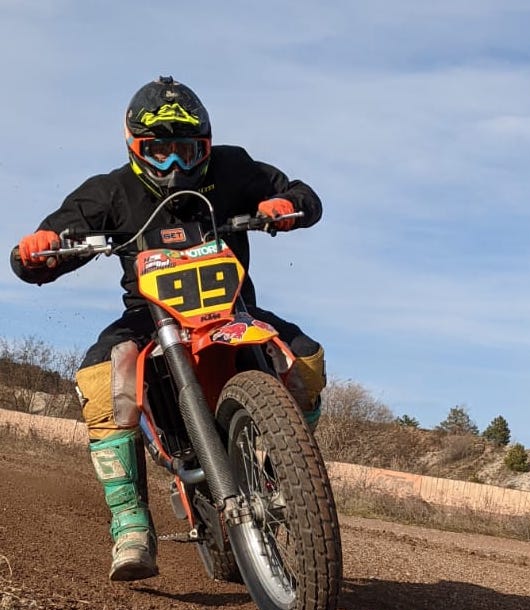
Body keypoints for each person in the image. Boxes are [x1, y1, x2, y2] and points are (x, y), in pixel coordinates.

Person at [10, 76, 326, 583]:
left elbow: (303, 194)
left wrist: (285, 205)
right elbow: (50, 243)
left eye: (186, 149)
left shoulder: (233, 166)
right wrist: (41, 248)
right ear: (137, 147)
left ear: (205, 145)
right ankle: (130, 521)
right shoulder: (110, 191)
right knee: (99, 376)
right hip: (149, 315)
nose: (175, 163)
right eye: (160, 150)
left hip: (233, 308)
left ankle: (287, 471)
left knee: (306, 357)